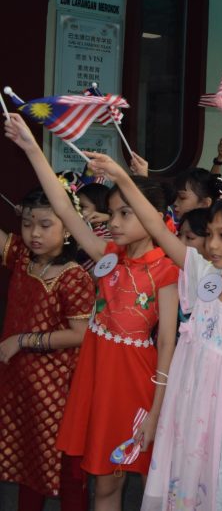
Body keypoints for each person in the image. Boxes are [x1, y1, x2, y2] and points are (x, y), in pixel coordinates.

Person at [83, 153, 222, 510]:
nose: (214, 245)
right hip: (186, 409)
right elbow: (157, 228)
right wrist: (122, 178)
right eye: (211, 235)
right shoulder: (201, 275)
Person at [7, 114, 180, 511]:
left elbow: (168, 341)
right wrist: (32, 148)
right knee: (97, 483)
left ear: (150, 215)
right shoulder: (109, 256)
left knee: (109, 484)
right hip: (95, 374)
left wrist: (155, 410)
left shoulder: (165, 269)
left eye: (125, 214)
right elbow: (67, 212)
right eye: (113, 213)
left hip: (131, 382)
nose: (112, 222)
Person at [0, 187, 94, 511]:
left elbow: (80, 334)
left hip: (58, 389)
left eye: (44, 224)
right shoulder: (24, 258)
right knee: (29, 464)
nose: (34, 233)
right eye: (27, 224)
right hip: (21, 383)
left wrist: (23, 340)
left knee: (68, 471)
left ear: (68, 228)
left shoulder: (74, 277)